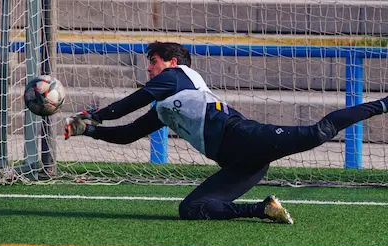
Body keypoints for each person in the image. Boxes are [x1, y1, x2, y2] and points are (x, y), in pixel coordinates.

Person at [64, 42, 388, 224]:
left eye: (153, 62)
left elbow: (128, 104)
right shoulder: (164, 106)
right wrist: (88, 130)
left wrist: (95, 114)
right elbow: (128, 134)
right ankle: (261, 209)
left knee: (318, 133)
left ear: (171, 62)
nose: (148, 68)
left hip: (245, 136)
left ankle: (383, 104)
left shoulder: (177, 75)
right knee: (190, 210)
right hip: (240, 164)